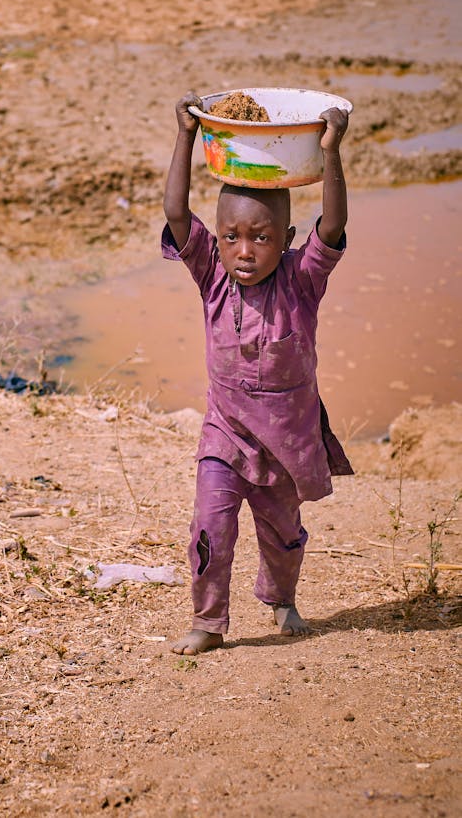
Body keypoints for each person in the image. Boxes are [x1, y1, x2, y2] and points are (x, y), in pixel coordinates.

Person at [162, 91, 353, 655]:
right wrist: (186, 135)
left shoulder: (302, 280)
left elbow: (335, 222)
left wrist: (331, 151)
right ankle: (208, 621)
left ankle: (281, 600)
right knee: (209, 528)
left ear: (287, 242)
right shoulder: (213, 279)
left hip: (287, 443)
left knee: (283, 538)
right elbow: (177, 212)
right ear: (216, 242)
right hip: (227, 435)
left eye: (262, 237)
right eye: (231, 237)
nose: (244, 251)